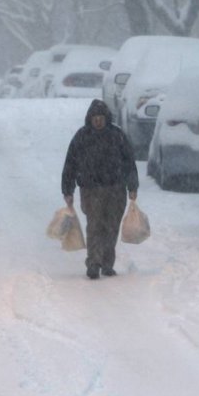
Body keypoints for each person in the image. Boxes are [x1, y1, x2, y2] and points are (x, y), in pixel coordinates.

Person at [62, 99, 138, 279]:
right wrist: (68, 189)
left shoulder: (117, 136)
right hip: (91, 189)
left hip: (116, 189)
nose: (98, 121)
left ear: (107, 118)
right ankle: (94, 263)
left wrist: (132, 186)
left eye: (101, 118)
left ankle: (107, 263)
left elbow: (129, 162)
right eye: (95, 118)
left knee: (111, 227)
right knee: (95, 225)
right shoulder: (82, 137)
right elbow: (70, 164)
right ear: (90, 118)